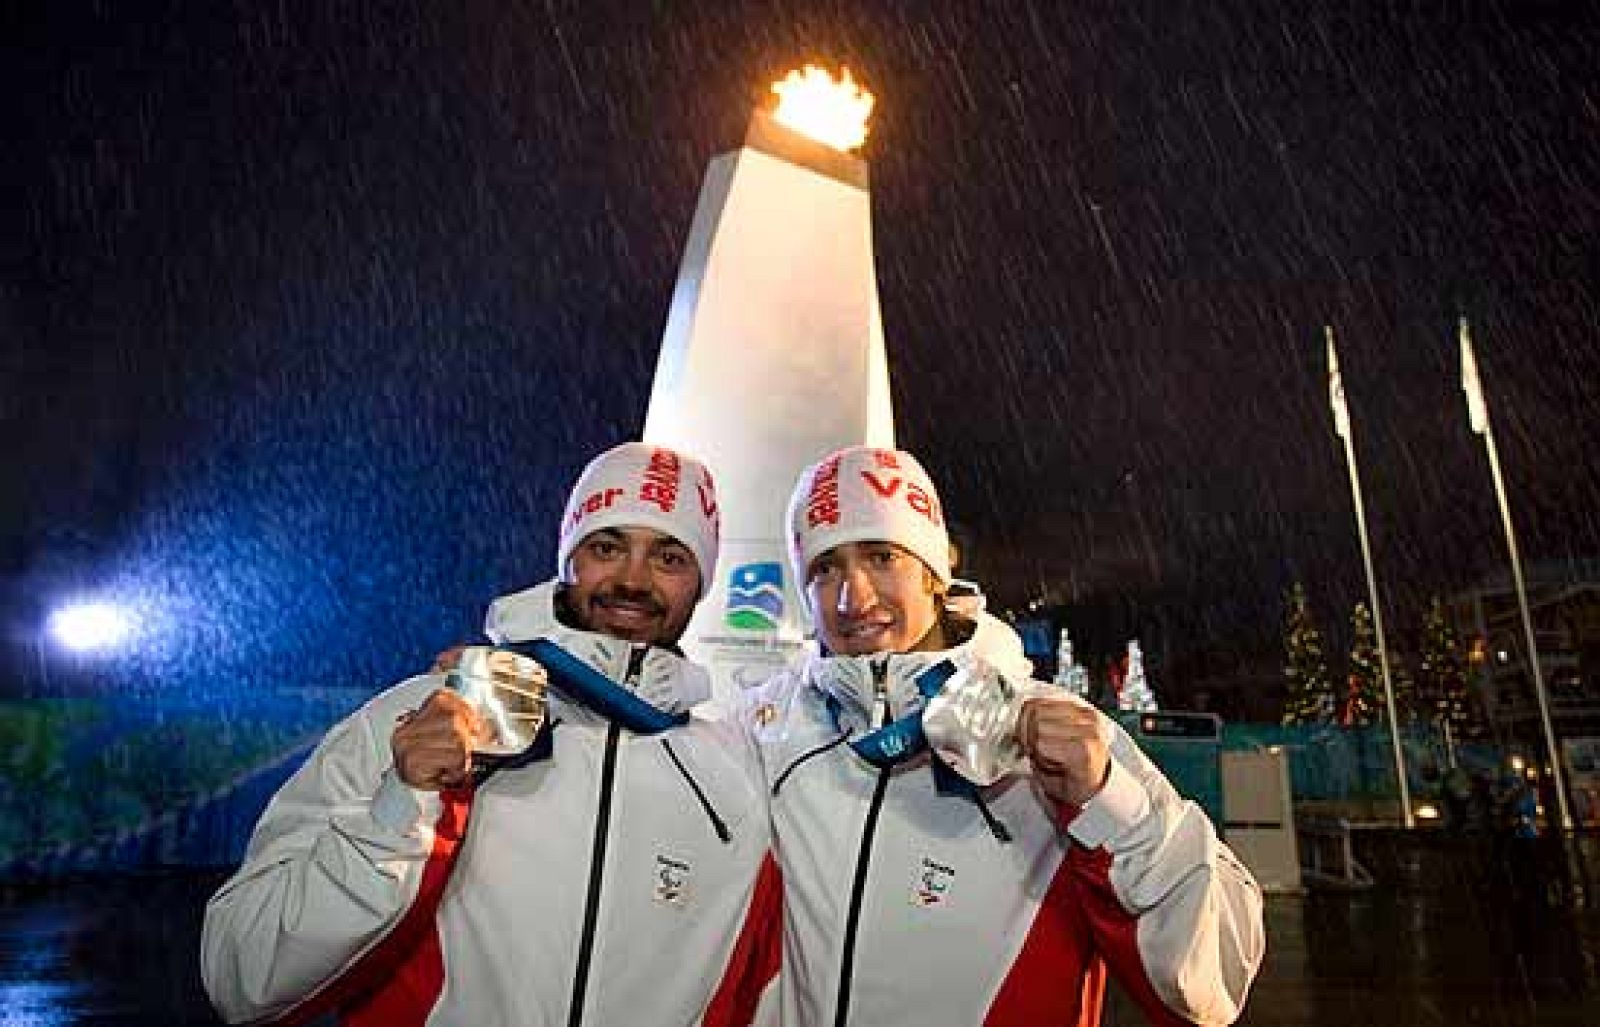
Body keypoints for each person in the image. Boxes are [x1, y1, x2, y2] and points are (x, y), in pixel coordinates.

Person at [202, 442, 780, 1026]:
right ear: (567, 558)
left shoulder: (736, 777)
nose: (632, 580)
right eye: (607, 547)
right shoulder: (422, 714)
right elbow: (241, 977)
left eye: (669, 557)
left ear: (701, 584)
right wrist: (398, 807)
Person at [742, 445, 1265, 1025]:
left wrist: (1115, 807)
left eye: (882, 556)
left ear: (935, 571)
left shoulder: (1058, 737)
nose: (853, 598)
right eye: (824, 568)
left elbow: (1212, 982)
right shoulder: (777, 730)